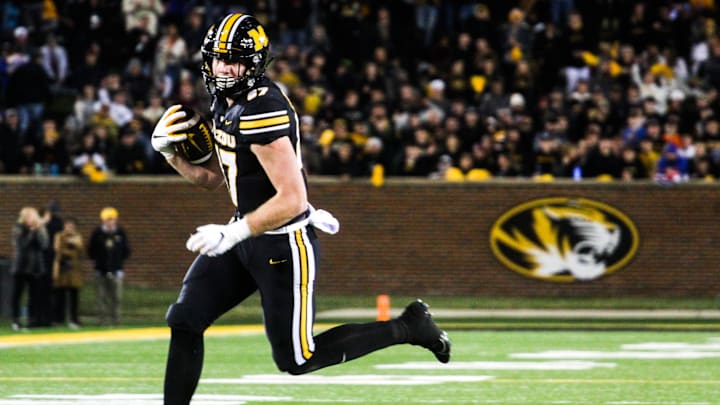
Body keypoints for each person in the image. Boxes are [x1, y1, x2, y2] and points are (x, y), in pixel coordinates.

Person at [151, 13, 451, 405]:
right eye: (218, 58)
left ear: (254, 62)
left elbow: (293, 199)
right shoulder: (227, 101)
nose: (223, 68)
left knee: (297, 358)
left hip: (282, 243)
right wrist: (169, 154)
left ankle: (409, 327)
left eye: (234, 59)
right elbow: (217, 178)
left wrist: (232, 233)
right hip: (245, 233)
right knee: (185, 320)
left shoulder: (262, 108)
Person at [88, 207, 130, 326]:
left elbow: (126, 251)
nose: (110, 222)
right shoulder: (97, 233)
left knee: (116, 297)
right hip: (100, 270)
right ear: (103, 220)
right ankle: (101, 320)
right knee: (101, 297)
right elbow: (91, 250)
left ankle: (116, 320)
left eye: (112, 219)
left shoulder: (120, 233)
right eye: (107, 219)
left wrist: (118, 263)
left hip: (116, 271)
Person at [9, 206, 49, 331]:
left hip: (35, 267)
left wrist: (39, 230)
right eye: (30, 216)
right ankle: (16, 320)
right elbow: (22, 245)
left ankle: (33, 320)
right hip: (21, 266)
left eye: (34, 216)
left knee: (34, 295)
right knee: (18, 295)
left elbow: (44, 245)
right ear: (24, 217)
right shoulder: (18, 228)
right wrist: (32, 231)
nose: (33, 218)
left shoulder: (39, 228)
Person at [52, 217, 84, 328]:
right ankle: (58, 320)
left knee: (74, 296)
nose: (69, 228)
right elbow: (57, 249)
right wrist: (70, 250)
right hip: (62, 268)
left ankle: (74, 320)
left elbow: (81, 250)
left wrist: (75, 243)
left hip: (74, 270)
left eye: (71, 226)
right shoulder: (59, 236)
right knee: (60, 296)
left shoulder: (78, 237)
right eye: (67, 226)